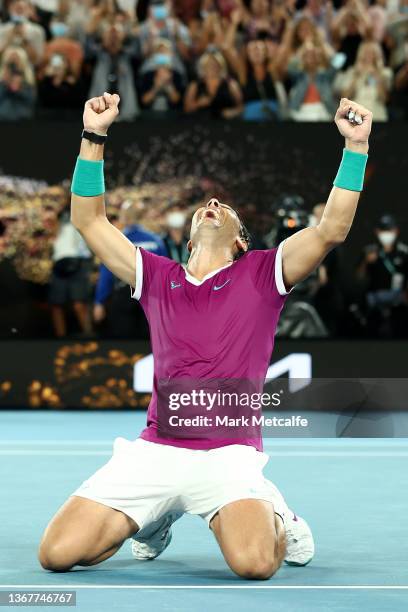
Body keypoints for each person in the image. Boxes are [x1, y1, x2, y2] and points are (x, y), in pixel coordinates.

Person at [38, 92, 372, 579]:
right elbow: (89, 220)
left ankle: (279, 513)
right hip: (157, 449)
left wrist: (356, 147)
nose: (211, 204)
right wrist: (94, 136)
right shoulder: (154, 276)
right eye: (205, 205)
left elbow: (331, 229)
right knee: (58, 554)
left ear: (240, 240)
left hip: (228, 455)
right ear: (190, 238)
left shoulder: (263, 274)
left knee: (255, 564)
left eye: (224, 206)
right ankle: (153, 518)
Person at [93, 200, 167, 338]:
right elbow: (165, 274)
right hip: (150, 295)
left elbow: (106, 274)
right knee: (148, 342)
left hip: (123, 293)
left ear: (124, 217)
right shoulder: (156, 241)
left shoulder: (115, 240)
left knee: (124, 342)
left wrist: (99, 302)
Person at [357, 214, 408, 337]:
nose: (386, 234)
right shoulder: (370, 250)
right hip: (375, 301)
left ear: (396, 231)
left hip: (398, 302)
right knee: (373, 333)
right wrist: (366, 262)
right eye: (383, 230)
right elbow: (359, 277)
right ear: (377, 231)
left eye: (389, 230)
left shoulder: (403, 251)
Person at [334, 41, 393, 122]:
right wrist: (356, 77)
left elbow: (385, 99)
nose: (368, 56)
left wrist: (377, 77)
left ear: (378, 55)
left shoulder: (385, 73)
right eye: (366, 53)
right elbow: (345, 97)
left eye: (372, 53)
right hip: (356, 117)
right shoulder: (352, 72)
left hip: (377, 116)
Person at [184, 50, 243, 118]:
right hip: (200, 123)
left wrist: (232, 112)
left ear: (221, 66)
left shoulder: (231, 83)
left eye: (215, 64)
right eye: (208, 65)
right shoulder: (195, 85)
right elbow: (186, 109)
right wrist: (198, 104)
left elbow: (241, 108)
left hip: (226, 122)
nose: (212, 67)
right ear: (203, 67)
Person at [0, 46, 36, 121]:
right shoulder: (2, 79)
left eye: (16, 60)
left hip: (23, 119)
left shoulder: (28, 79)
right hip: (3, 118)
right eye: (11, 60)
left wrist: (19, 88)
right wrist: (4, 83)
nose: (14, 64)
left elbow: (31, 101)